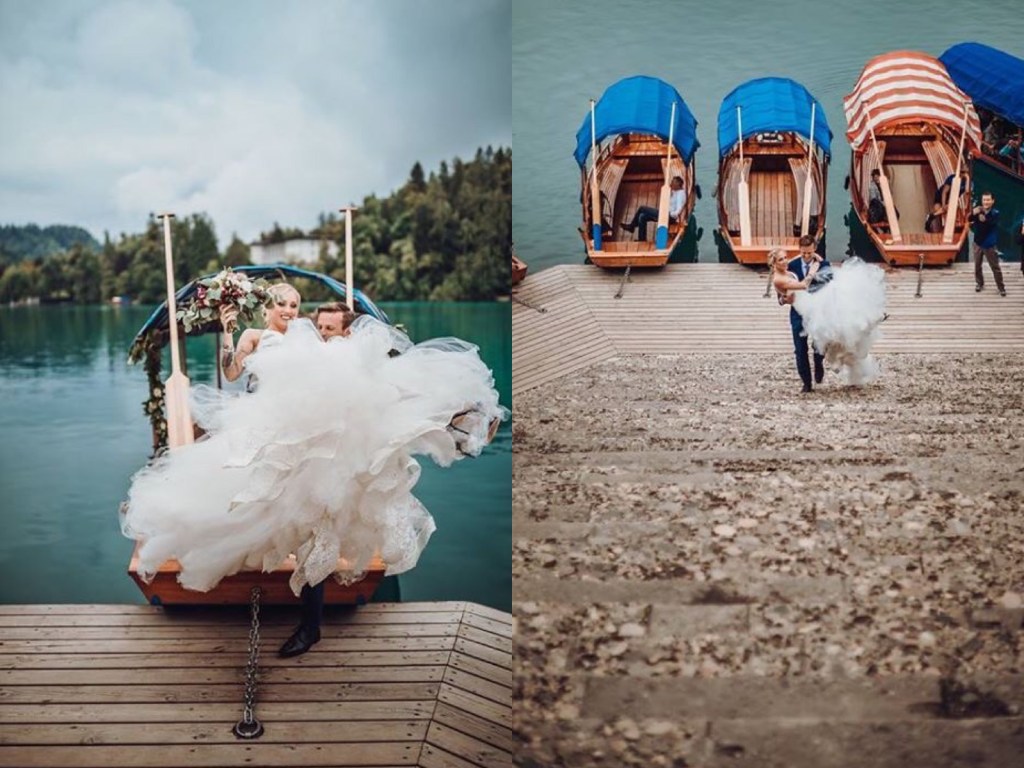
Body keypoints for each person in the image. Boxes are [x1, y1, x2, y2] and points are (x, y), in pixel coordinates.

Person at [121, 307, 507, 658]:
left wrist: (463, 416)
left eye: (331, 329)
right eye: (320, 328)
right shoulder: (311, 366)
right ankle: (305, 622)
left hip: (338, 478)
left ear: (349, 335)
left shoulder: (357, 373)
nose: (324, 336)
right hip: (303, 473)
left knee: (317, 542)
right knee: (259, 523)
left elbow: (406, 405)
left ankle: (310, 627)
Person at [772, 236, 826, 393]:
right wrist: (784, 300)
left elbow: (831, 287)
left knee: (819, 345)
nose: (807, 256)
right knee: (800, 349)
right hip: (798, 313)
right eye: (803, 253)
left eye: (809, 253)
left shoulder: (823, 264)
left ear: (814, 249)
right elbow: (781, 297)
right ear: (799, 251)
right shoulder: (791, 266)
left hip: (818, 312)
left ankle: (818, 362)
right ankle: (807, 383)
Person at [219, 283, 301, 384]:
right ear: (267, 308)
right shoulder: (253, 336)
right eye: (281, 304)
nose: (288, 310)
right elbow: (231, 375)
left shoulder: (302, 341)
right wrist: (228, 332)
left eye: (293, 306)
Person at [621, 176, 686, 241]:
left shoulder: (681, 195)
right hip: (664, 212)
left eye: (673, 182)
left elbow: (679, 210)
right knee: (642, 217)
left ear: (678, 183)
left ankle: (631, 227)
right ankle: (642, 239)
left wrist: (669, 214)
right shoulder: (675, 191)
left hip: (669, 216)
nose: (671, 183)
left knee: (642, 208)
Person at [969, 192, 1006, 296]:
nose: (986, 202)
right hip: (977, 243)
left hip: (989, 244)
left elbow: (991, 223)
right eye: (984, 200)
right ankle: (979, 283)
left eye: (988, 200)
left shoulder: (995, 213)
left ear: (992, 201)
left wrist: (984, 217)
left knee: (995, 267)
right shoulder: (978, 210)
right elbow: (969, 219)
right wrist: (972, 213)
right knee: (977, 266)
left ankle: (1001, 287)